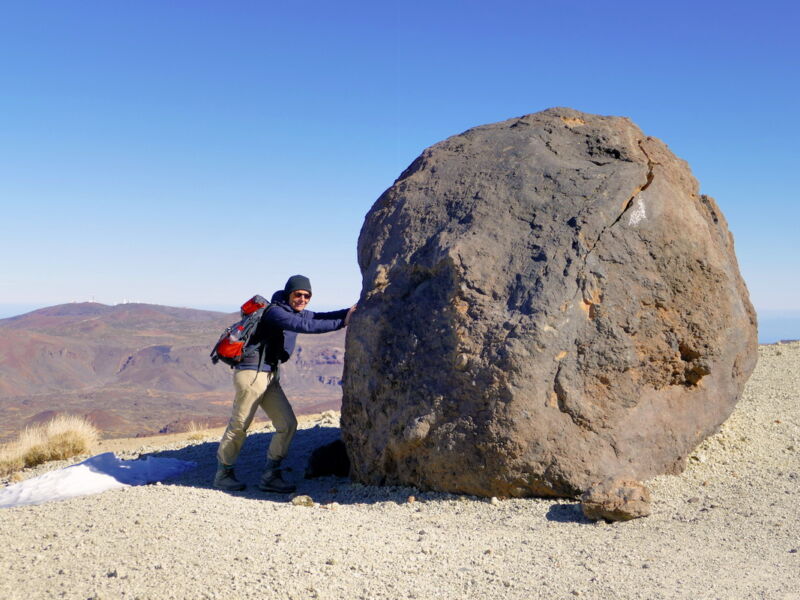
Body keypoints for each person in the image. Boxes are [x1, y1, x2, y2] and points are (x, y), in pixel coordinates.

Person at [213, 275, 356, 493]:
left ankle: (270, 475)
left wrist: (352, 312)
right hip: (252, 375)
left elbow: (319, 316)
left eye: (307, 296)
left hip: (269, 374)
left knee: (288, 424)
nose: (302, 299)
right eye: (297, 294)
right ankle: (223, 474)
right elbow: (304, 325)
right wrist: (343, 322)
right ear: (288, 293)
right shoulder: (275, 312)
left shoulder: (292, 311)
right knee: (240, 425)